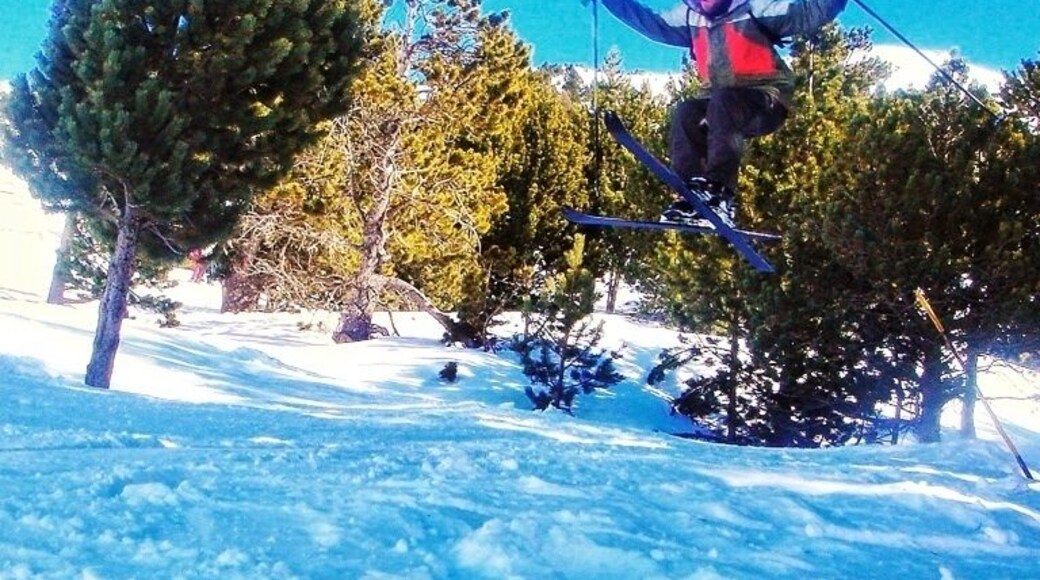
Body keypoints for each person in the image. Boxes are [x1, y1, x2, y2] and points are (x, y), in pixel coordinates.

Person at [592, 0, 848, 227]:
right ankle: (692, 193)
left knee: (724, 101)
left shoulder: (757, 7)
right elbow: (649, 22)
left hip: (766, 99)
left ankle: (718, 192)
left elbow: (809, 13)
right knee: (686, 112)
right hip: (718, 103)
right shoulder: (691, 15)